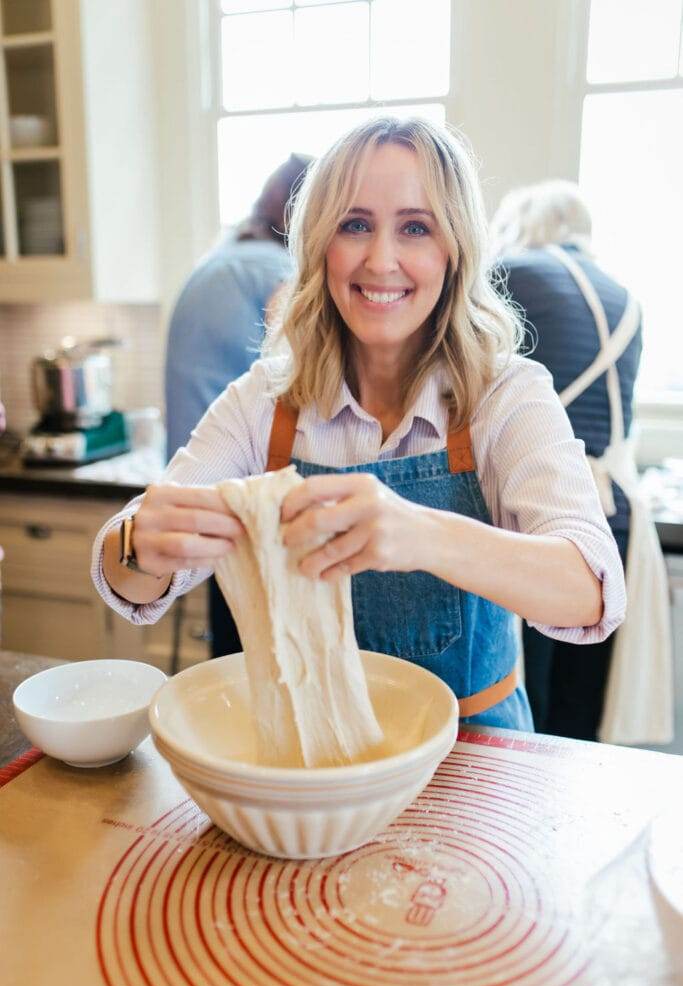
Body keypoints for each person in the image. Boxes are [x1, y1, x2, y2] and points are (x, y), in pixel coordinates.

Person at [92, 118, 626, 734]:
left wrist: (418, 533)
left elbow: (590, 589)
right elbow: (128, 575)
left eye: (415, 228)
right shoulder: (263, 402)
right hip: (305, 759)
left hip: (474, 759)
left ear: (454, 252)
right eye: (355, 225)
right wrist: (137, 543)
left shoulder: (506, 395)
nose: (381, 259)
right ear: (321, 245)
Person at [489, 180, 671, 743]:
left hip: (542, 513)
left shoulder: (508, 275)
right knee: (580, 712)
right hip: (613, 515)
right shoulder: (626, 299)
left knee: (527, 710)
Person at [164, 153, 312, 657]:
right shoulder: (275, 271)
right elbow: (295, 358)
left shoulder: (215, 263)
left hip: (193, 481)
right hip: (243, 485)